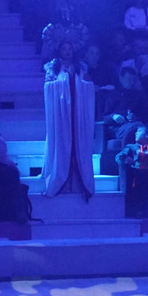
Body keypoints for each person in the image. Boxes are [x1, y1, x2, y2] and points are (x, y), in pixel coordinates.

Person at [39, 24, 96, 199]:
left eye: (69, 48)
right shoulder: (52, 67)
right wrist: (63, 80)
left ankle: (78, 183)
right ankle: (60, 180)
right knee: (62, 142)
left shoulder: (81, 67)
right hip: (61, 113)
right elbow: (48, 87)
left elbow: (88, 86)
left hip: (77, 112)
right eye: (64, 48)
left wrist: (78, 82)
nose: (67, 51)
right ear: (59, 50)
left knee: (78, 142)